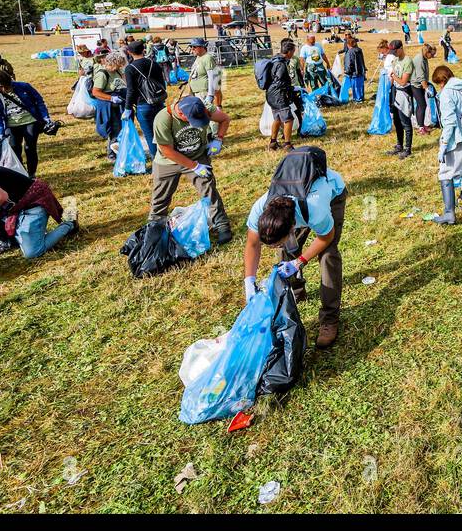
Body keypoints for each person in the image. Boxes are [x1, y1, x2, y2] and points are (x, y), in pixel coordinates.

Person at [242, 145, 348, 348]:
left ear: (292, 227)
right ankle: (296, 293)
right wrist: (249, 281)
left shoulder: (316, 209)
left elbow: (326, 237)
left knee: (328, 256)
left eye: (282, 239)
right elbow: (252, 244)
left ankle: (329, 319)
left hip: (334, 194)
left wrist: (300, 261)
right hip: (293, 209)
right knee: (286, 250)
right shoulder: (261, 208)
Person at [149, 95, 233, 244]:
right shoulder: (163, 119)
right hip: (168, 161)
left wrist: (218, 139)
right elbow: (167, 151)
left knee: (209, 189)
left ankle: (221, 224)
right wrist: (194, 166)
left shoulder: (203, 107)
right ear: (181, 114)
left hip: (197, 155)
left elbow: (225, 119)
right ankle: (154, 230)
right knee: (160, 197)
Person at [429, 64, 462, 225]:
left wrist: (443, 145)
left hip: (458, 139)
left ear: (442, 81)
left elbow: (449, 123)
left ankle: (449, 213)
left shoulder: (447, 93)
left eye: (438, 83)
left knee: (446, 174)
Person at [0, 68, 51, 178]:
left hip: (30, 121)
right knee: (14, 149)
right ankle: (21, 174)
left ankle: (32, 174)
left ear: (6, 81)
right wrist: (0, 133)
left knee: (30, 148)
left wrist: (46, 117)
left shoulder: (23, 86)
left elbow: (39, 101)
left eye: (0, 86)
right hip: (10, 125)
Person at [123, 40, 168, 159]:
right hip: (159, 102)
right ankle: (168, 155)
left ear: (129, 52)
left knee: (149, 135)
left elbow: (131, 90)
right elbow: (162, 83)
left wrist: (127, 108)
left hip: (143, 105)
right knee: (162, 132)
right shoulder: (154, 63)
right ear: (143, 50)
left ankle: (157, 160)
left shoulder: (130, 68)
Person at [264, 39, 303, 152]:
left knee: (277, 118)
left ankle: (273, 143)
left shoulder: (274, 59)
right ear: (289, 51)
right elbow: (280, 81)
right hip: (279, 95)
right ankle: (287, 144)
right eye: (293, 51)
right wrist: (291, 88)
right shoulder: (281, 64)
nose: (293, 54)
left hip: (271, 94)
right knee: (288, 119)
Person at [90, 50, 127, 161]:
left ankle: (121, 150)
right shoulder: (102, 74)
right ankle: (112, 154)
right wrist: (111, 98)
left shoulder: (118, 71)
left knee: (122, 129)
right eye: (119, 64)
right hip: (109, 107)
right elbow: (96, 92)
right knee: (115, 130)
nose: (121, 66)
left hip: (120, 105)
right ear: (113, 63)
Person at [387, 40, 415, 158]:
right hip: (395, 91)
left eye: (395, 51)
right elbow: (393, 77)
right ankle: (399, 145)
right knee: (397, 120)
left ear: (401, 48)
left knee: (405, 121)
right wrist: (392, 79)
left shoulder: (407, 61)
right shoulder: (395, 60)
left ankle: (408, 149)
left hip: (404, 93)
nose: (393, 53)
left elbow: (403, 82)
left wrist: (393, 76)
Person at [186, 37, 221, 109]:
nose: (192, 48)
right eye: (191, 46)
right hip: (197, 92)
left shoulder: (207, 58)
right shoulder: (199, 57)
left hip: (203, 93)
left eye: (194, 47)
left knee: (205, 116)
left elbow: (212, 77)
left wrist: (210, 95)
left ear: (202, 47)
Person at [410, 43, 432, 133]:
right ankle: (420, 127)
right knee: (422, 105)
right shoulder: (419, 60)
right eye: (432, 54)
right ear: (427, 52)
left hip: (420, 85)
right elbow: (420, 77)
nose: (433, 56)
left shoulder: (424, 58)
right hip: (416, 85)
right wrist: (427, 88)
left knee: (421, 105)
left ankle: (421, 124)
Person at [342, 35, 367, 102]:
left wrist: (346, 71)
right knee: (360, 86)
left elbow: (349, 63)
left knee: (355, 87)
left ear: (348, 45)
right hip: (361, 72)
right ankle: (361, 97)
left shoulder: (350, 52)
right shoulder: (359, 50)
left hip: (354, 73)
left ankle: (357, 99)